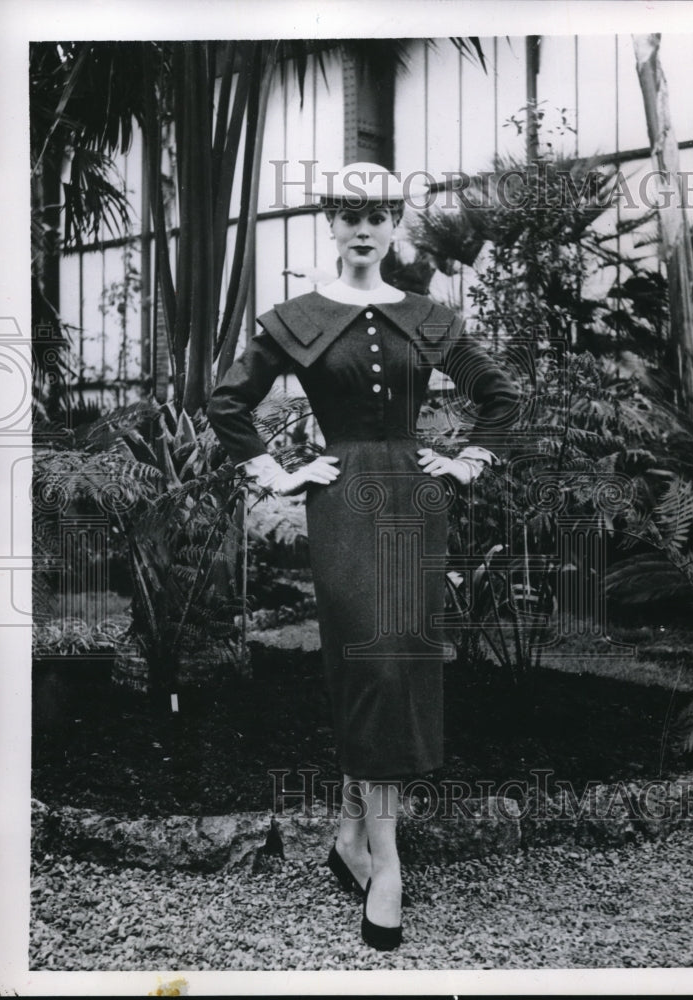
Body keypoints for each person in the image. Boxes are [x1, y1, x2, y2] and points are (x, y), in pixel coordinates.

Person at [207, 162, 518, 951]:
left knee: (398, 669)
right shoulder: (299, 317)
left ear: (392, 223)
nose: (362, 226)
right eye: (348, 212)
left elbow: (499, 396)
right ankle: (387, 865)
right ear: (330, 221)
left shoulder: (425, 315)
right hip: (343, 506)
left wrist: (467, 458)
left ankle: (351, 836)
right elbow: (227, 401)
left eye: (377, 213)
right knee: (371, 667)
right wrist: (280, 471)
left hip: (413, 504)